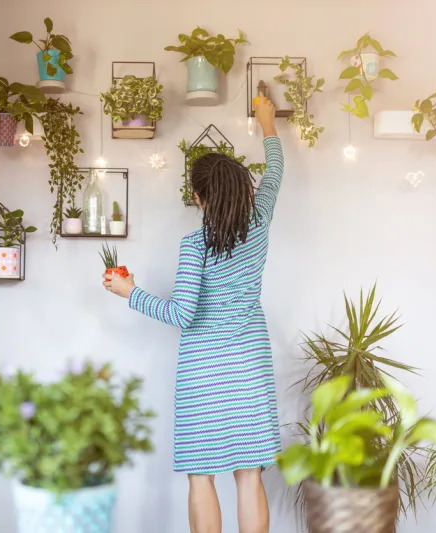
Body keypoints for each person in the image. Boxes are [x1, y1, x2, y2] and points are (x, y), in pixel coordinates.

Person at [103, 97, 283, 533]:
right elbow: (276, 170)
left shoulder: (195, 245)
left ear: (200, 196)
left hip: (204, 372)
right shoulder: (260, 218)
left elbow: (183, 315)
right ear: (242, 186)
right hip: (249, 364)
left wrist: (131, 292)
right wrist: (267, 123)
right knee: (249, 472)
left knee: (201, 475)